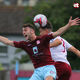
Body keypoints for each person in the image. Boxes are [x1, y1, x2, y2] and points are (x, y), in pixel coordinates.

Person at [0, 16, 80, 80]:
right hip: (40, 71)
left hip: (52, 66)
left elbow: (58, 35)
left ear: (32, 31)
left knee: (49, 78)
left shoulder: (44, 39)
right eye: (23, 31)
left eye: (25, 30)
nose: (23, 32)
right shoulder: (25, 44)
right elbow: (8, 42)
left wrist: (68, 25)